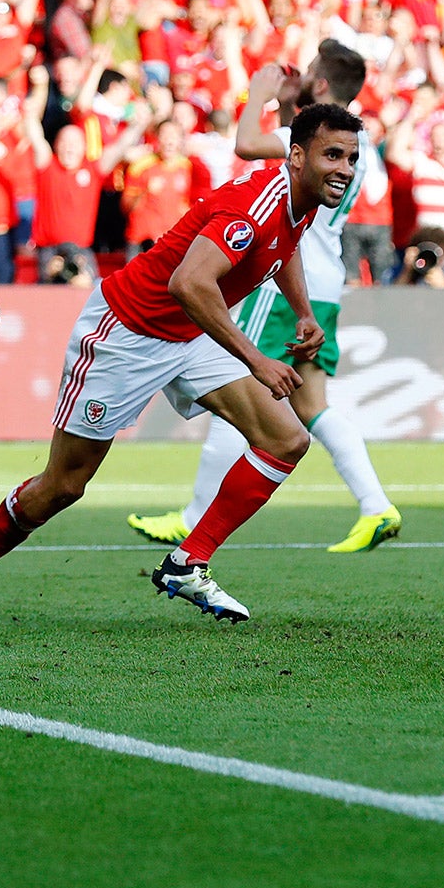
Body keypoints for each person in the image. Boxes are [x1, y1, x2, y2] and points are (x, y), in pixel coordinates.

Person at [0, 103, 363, 628]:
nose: (344, 167)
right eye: (333, 155)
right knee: (65, 485)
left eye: (352, 157)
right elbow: (189, 283)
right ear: (297, 157)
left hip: (189, 332)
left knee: (286, 440)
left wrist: (302, 311)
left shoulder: (301, 201)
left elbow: (284, 247)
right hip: (126, 332)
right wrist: (257, 360)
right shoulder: (255, 206)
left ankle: (188, 562)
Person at [128, 43, 400, 555]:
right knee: (313, 406)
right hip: (326, 286)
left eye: (311, 72)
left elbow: (249, 143)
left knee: (240, 386)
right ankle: (375, 504)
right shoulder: (356, 145)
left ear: (320, 86)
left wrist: (260, 95)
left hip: (282, 275)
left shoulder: (316, 142)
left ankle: (192, 519)